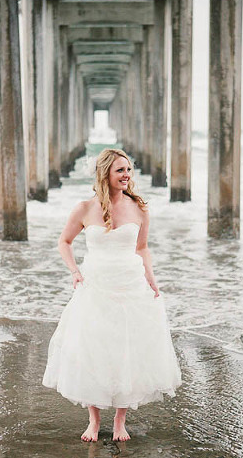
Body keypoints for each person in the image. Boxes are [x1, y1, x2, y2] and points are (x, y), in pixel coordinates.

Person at [42, 148, 182, 441]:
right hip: (95, 285)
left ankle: (120, 421)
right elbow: (64, 242)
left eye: (129, 170)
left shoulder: (140, 208)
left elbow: (142, 248)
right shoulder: (84, 208)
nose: (126, 175)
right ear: (105, 173)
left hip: (130, 286)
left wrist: (152, 280)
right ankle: (93, 421)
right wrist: (74, 271)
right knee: (93, 348)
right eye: (120, 170)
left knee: (125, 350)